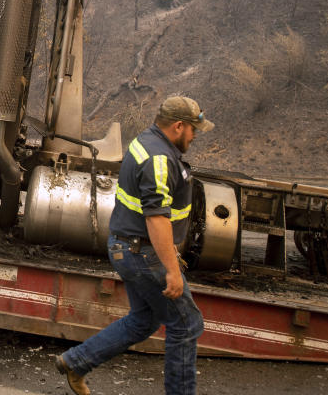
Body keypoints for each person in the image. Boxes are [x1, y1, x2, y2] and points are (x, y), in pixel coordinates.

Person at [54, 96, 213, 395]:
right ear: (178, 126)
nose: (195, 136)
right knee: (186, 324)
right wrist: (172, 270)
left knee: (144, 320)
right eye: (194, 129)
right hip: (143, 253)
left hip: (127, 247)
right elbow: (156, 219)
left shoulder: (146, 142)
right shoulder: (159, 159)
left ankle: (76, 362)